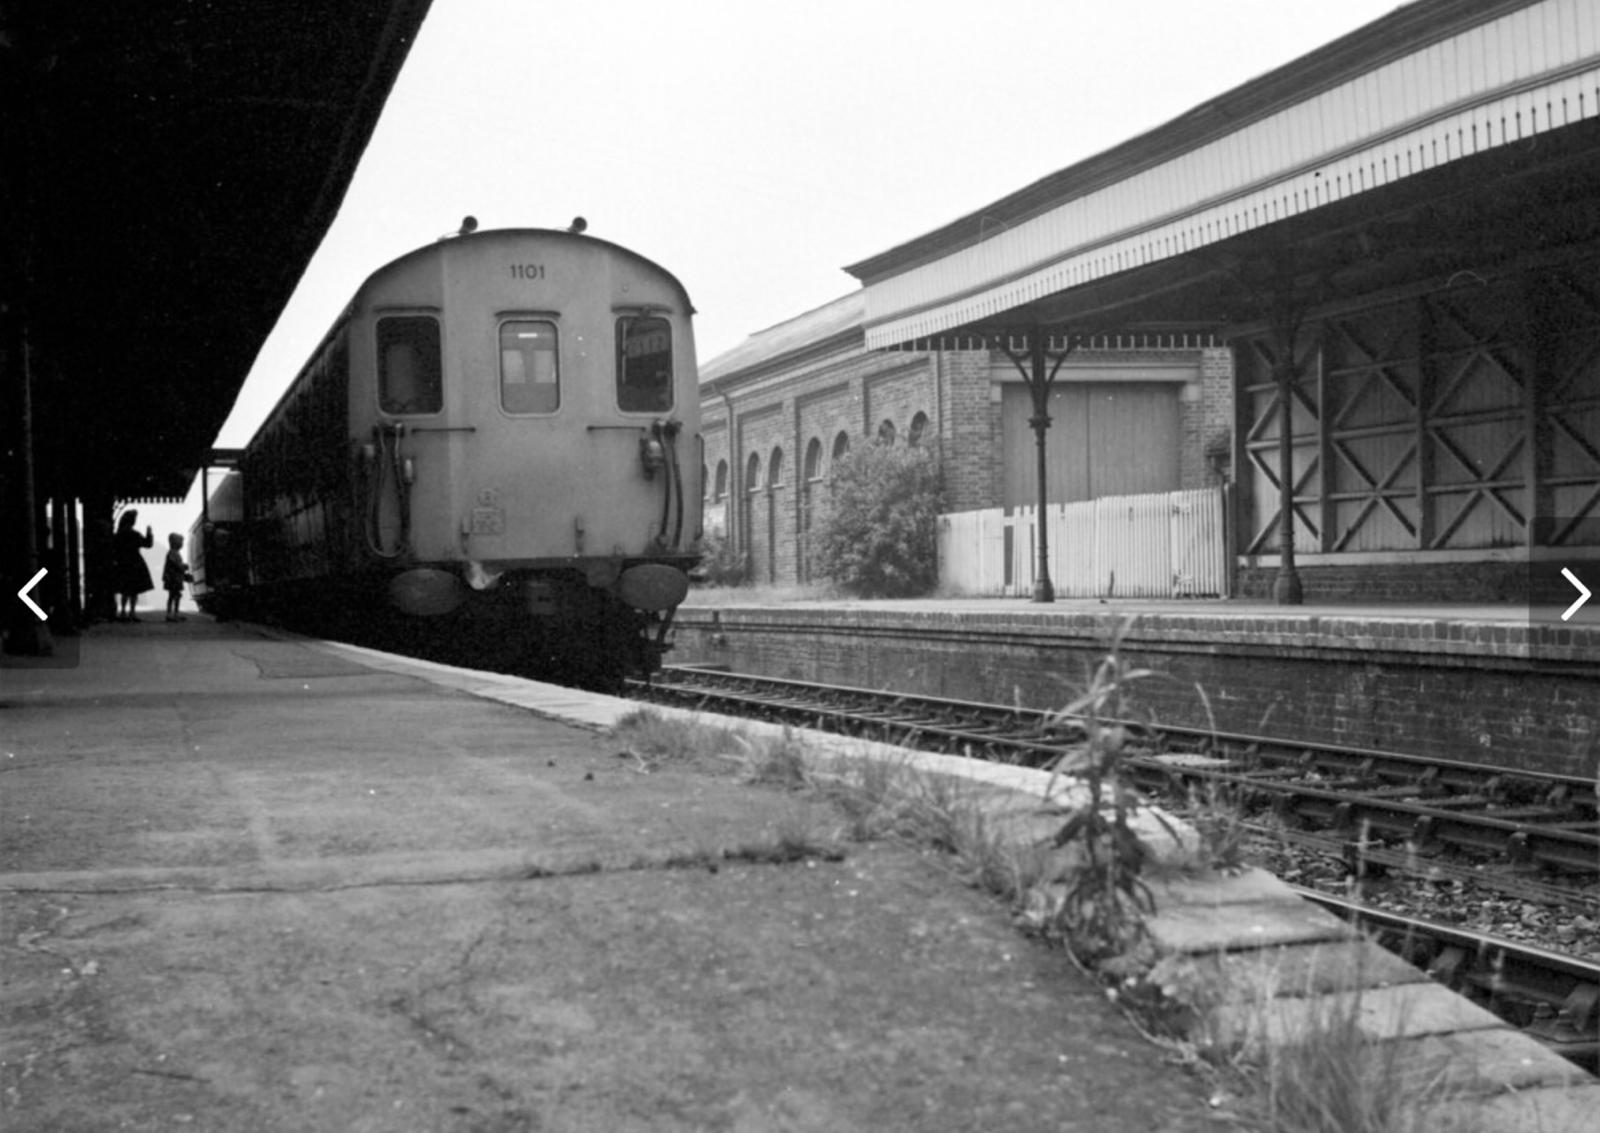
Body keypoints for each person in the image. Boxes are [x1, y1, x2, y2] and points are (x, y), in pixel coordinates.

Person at [113, 510, 155, 621]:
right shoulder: (135, 534)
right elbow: (148, 544)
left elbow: (114, 549)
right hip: (135, 564)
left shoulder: (118, 535)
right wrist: (149, 532)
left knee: (125, 590)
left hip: (122, 563)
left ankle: (122, 612)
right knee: (134, 591)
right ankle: (132, 613)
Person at [162, 533, 193, 622]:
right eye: (181, 542)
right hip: (173, 579)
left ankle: (173, 614)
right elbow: (176, 565)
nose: (182, 544)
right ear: (175, 543)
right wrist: (184, 567)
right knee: (174, 596)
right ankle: (172, 615)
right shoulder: (173, 553)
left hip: (175, 579)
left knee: (174, 596)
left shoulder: (174, 553)